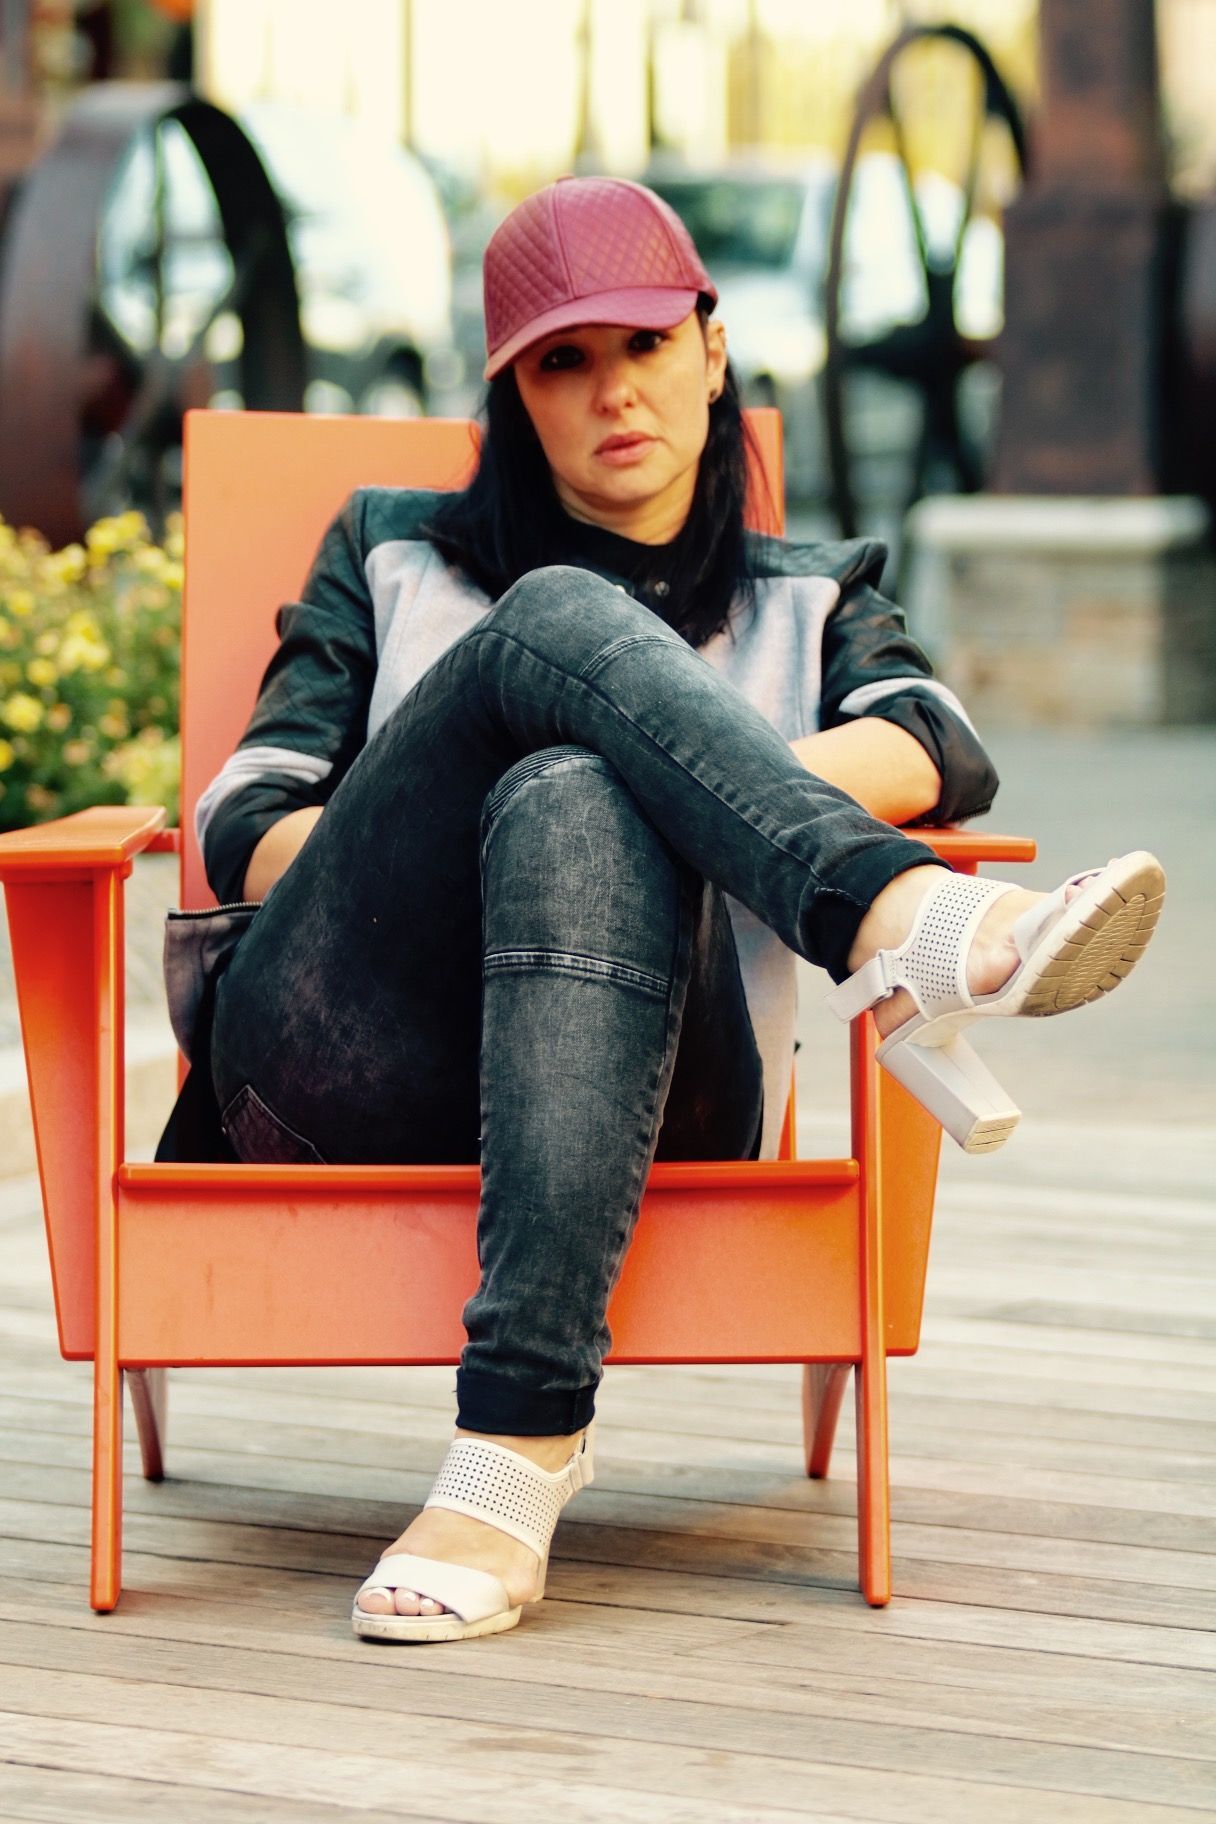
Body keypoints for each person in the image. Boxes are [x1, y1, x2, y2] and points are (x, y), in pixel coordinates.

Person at [187, 176, 1164, 1644]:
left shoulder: (808, 592)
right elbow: (243, 818)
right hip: (338, 1055)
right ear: (514, 398)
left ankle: (514, 1451)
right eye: (561, 363)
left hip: (660, 1083)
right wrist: (491, 783)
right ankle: (907, 922)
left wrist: (644, 769)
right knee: (556, 631)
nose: (613, 393)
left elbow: (940, 742)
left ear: (712, 353)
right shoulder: (392, 548)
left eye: (644, 345)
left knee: (578, 788)